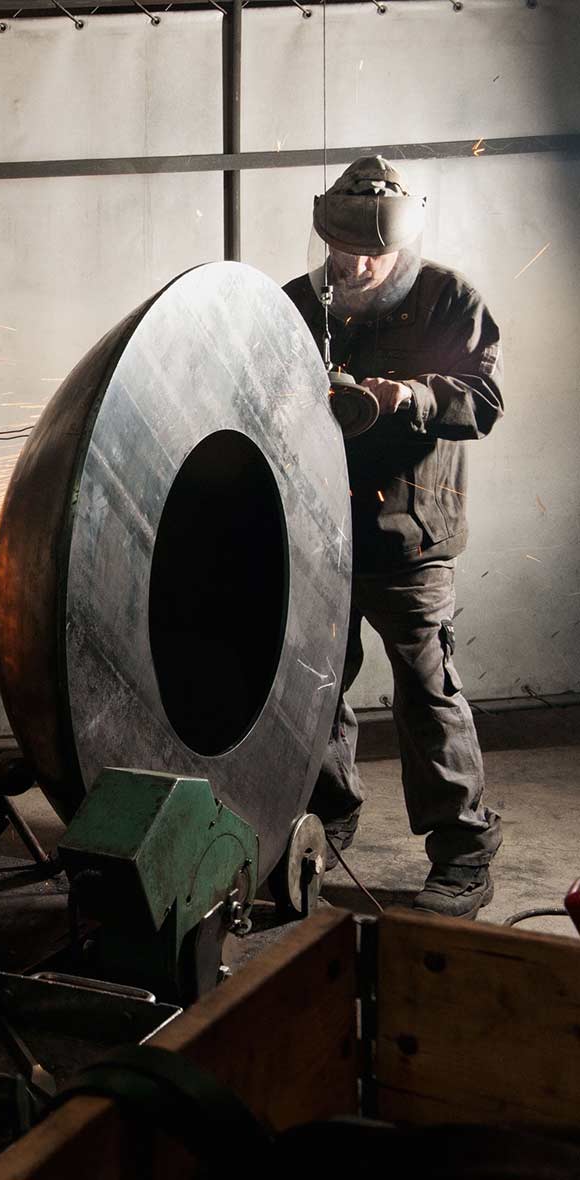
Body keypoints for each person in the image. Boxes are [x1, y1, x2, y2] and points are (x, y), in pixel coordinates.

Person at [283, 156, 503, 919]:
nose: (360, 265)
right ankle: (326, 817)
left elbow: (485, 399)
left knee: (427, 693)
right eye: (347, 253)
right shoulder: (300, 304)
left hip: (413, 541)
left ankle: (464, 852)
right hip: (318, 540)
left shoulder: (448, 299)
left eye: (373, 254)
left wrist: (409, 395)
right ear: (328, 236)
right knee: (315, 689)